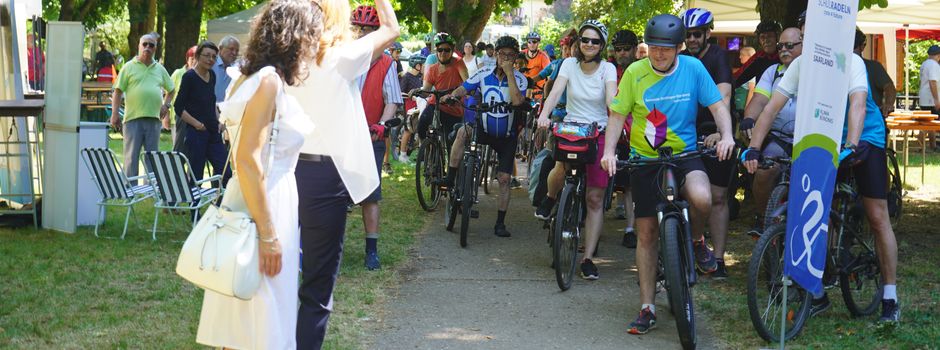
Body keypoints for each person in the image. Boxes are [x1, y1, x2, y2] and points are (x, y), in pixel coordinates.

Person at [742, 39, 901, 326]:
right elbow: (769, 109)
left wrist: (852, 144)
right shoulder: (800, 65)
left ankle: (890, 295)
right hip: (823, 138)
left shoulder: (849, 61)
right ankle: (817, 291)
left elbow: (858, 104)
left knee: (877, 215)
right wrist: (754, 147)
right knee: (814, 208)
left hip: (865, 138)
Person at [601, 14, 735, 335]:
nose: (659, 54)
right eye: (654, 48)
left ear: (679, 48)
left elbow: (718, 107)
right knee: (646, 234)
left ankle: (697, 239)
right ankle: (647, 306)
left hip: (685, 155)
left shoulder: (693, 68)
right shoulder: (634, 72)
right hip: (645, 159)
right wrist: (608, 152)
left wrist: (727, 135)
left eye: (667, 48)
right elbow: (618, 116)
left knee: (703, 198)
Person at [195, 2, 319, 348]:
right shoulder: (267, 83)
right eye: (310, 37)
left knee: (245, 316)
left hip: (254, 199)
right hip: (266, 203)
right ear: (293, 38)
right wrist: (268, 235)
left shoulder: (247, 79)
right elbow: (248, 158)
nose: (313, 46)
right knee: (260, 316)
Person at [288, 0, 399, 346]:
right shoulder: (340, 57)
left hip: (281, 169)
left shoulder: (279, 58)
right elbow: (391, 29)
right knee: (317, 288)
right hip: (323, 175)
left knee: (275, 278)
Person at [535, 20, 618, 281]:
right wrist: (545, 115)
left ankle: (588, 258)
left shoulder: (608, 69)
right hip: (571, 128)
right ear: (578, 42)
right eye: (585, 40)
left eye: (595, 41)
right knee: (560, 167)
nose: (589, 45)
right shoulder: (569, 64)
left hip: (598, 132)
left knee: (595, 198)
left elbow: (610, 99)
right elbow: (555, 91)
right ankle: (550, 198)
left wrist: (616, 115)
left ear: (602, 45)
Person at [441, 36, 526, 237]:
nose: (506, 58)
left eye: (510, 55)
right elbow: (466, 87)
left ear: (515, 58)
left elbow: (516, 101)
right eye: (502, 53)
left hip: (507, 135)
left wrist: (509, 74)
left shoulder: (519, 78)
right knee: (462, 132)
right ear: (495, 54)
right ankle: (450, 178)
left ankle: (500, 223)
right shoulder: (483, 72)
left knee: (504, 179)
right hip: (484, 127)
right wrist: (453, 95)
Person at [351, 4, 404, 270]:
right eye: (357, 28)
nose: (361, 33)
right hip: (341, 134)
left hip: (371, 134)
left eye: (368, 29)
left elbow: (392, 101)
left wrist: (382, 124)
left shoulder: (386, 63)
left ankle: (371, 249)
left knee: (370, 195)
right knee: (334, 194)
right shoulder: (342, 56)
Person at [680, 7, 732, 278]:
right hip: (686, 133)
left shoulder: (718, 56)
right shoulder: (680, 59)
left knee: (718, 197)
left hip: (714, 131)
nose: (691, 39)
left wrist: (720, 132)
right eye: (687, 34)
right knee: (689, 196)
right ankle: (688, 249)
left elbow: (723, 94)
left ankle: (720, 258)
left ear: (708, 33)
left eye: (697, 34)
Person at [738, 27, 803, 235]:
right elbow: (759, 99)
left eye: (790, 46)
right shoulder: (773, 71)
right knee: (764, 172)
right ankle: (764, 216)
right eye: (781, 46)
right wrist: (749, 118)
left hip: (809, 139)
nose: (784, 50)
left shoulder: (816, 70)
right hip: (780, 137)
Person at [110, 33, 175, 184]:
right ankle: (130, 188)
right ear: (139, 46)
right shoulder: (128, 67)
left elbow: (171, 89)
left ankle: (150, 189)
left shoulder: (159, 69)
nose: (147, 47)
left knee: (152, 156)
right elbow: (118, 91)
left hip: (154, 120)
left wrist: (166, 105)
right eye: (144, 44)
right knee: (131, 156)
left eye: (151, 45)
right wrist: (114, 114)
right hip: (132, 119)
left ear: (155, 49)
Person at [174, 41, 228, 188]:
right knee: (196, 175)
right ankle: (195, 210)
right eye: (207, 56)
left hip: (213, 132)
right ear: (197, 56)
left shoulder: (212, 75)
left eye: (214, 57)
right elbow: (178, 107)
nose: (210, 59)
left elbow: (211, 102)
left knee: (225, 171)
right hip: (196, 133)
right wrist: (196, 124)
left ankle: (218, 206)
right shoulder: (189, 77)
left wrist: (219, 121)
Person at [607, 29, 639, 247]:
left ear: (635, 49)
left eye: (626, 49)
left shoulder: (642, 70)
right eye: (618, 49)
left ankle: (630, 229)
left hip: (632, 135)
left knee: (629, 186)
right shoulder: (608, 70)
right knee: (596, 186)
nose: (622, 53)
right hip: (609, 132)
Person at [411, 32, 468, 142]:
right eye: (440, 50)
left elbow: (467, 83)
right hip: (436, 105)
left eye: (447, 50)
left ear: (452, 51)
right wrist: (416, 91)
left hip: (453, 107)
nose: (443, 53)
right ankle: (426, 152)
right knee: (421, 126)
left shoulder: (458, 63)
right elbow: (426, 91)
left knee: (450, 141)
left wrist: (453, 95)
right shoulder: (432, 69)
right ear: (436, 51)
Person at [854, 29, 896, 118]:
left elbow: (889, 87)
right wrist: (888, 104)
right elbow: (890, 87)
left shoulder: (873, 67)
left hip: (870, 119)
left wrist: (888, 104)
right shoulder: (873, 66)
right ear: (862, 46)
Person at [734, 20, 781, 88]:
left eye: (770, 36)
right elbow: (737, 77)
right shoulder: (759, 57)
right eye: (762, 37)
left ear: (777, 38)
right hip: (761, 97)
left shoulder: (784, 54)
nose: (766, 40)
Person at [398, 54, 426, 164]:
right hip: (410, 107)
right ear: (417, 66)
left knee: (419, 130)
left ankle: (421, 156)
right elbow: (401, 93)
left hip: (420, 106)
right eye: (423, 65)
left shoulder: (420, 77)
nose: (424, 68)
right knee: (408, 130)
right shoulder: (407, 77)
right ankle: (402, 155)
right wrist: (412, 97)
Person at [170, 46, 198, 151]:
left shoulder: (202, 75)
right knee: (178, 147)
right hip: (178, 117)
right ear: (187, 59)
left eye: (197, 59)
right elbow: (169, 92)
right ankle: (176, 167)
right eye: (192, 59)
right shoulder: (178, 73)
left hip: (194, 118)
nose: (195, 62)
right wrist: (166, 116)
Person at [918, 45, 940, 150]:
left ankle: (932, 145)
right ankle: (922, 141)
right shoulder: (934, 65)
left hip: (924, 97)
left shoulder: (924, 64)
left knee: (928, 123)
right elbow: (933, 82)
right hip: (931, 99)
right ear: (938, 55)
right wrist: (936, 99)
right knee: (931, 123)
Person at [213, 35, 241, 102]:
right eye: (231, 49)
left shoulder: (236, 69)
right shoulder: (211, 64)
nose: (234, 53)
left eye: (237, 51)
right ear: (220, 48)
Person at [733, 46, 757, 119]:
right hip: (738, 105)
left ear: (750, 56)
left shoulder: (752, 70)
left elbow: (751, 90)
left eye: (742, 55)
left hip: (742, 108)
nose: (740, 57)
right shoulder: (745, 69)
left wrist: (747, 109)